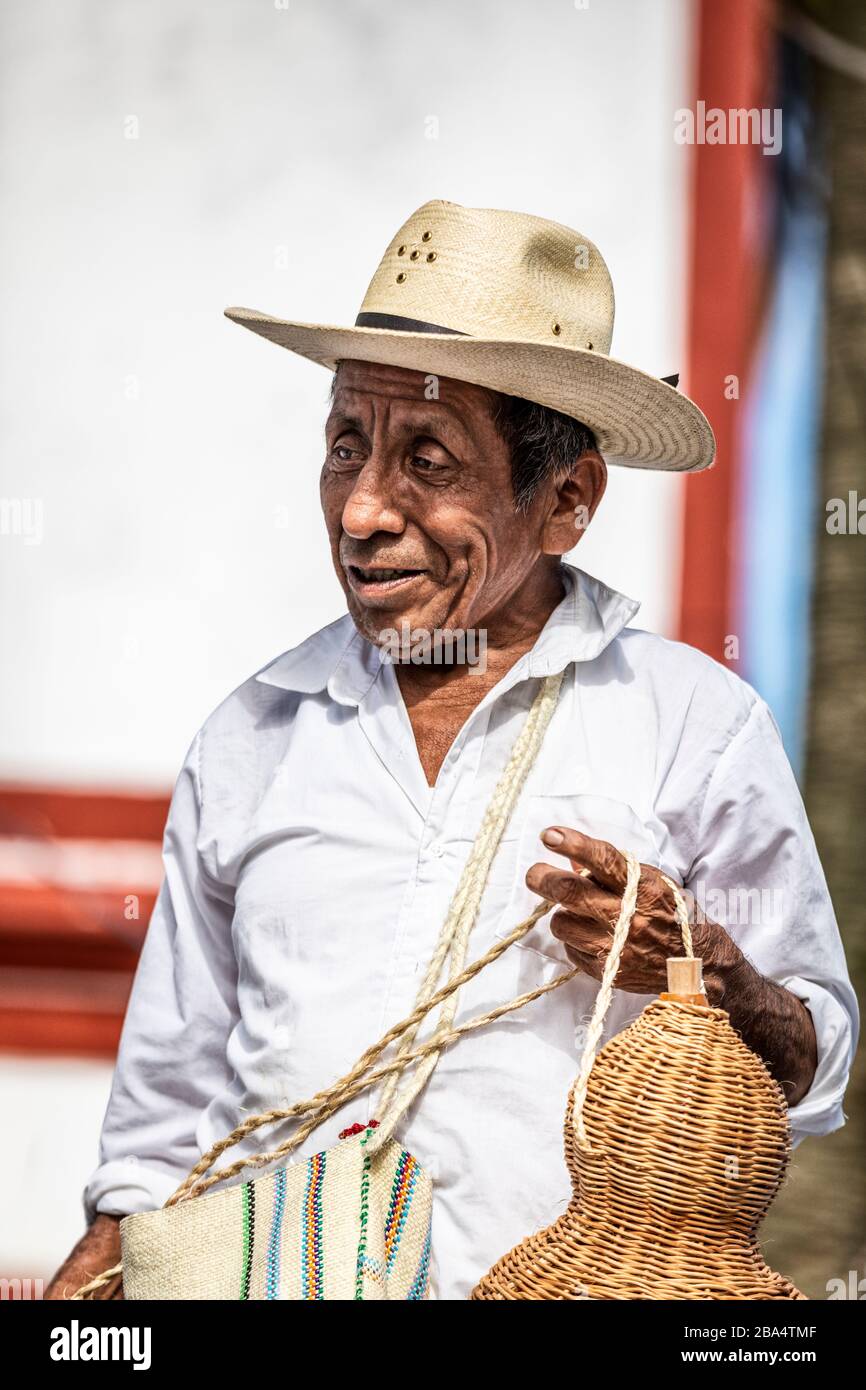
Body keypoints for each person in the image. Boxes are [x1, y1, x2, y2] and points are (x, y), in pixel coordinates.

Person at [47, 201, 858, 1300]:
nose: (363, 509)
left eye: (426, 458)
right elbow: (161, 1116)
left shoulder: (691, 724)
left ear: (564, 499)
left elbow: (811, 1070)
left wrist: (702, 966)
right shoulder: (252, 733)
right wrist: (101, 1270)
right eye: (346, 445)